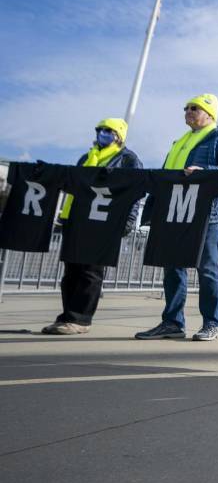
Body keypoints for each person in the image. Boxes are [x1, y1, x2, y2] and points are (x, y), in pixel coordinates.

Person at [135, 93, 218, 341]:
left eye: (195, 108)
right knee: (172, 267)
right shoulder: (180, 141)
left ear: (210, 114)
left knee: (207, 268)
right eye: (187, 108)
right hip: (176, 213)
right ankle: (172, 322)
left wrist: (205, 172)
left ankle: (212, 323)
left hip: (210, 214)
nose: (189, 111)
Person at [41, 118, 143, 334]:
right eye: (100, 130)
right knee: (71, 272)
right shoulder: (86, 157)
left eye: (108, 130)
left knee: (90, 271)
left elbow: (135, 193)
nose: (102, 133)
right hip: (75, 218)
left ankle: (81, 319)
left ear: (119, 135)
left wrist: (127, 222)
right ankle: (67, 315)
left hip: (102, 222)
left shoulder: (128, 160)